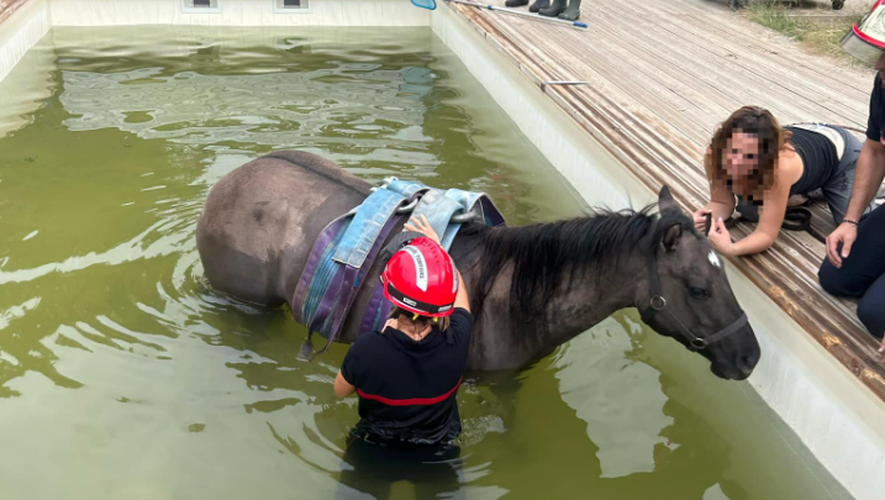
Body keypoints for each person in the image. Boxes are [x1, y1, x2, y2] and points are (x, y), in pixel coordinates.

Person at [334, 215, 472, 499]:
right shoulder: (458, 340)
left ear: (393, 298)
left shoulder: (368, 349)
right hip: (438, 450)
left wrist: (381, 343)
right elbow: (461, 299)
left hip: (375, 448)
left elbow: (339, 392)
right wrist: (440, 252)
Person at [692, 106, 872, 257]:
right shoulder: (714, 154)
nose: (737, 162)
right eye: (733, 150)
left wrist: (732, 249)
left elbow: (766, 234)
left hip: (841, 157)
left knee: (854, 221)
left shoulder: (779, 167)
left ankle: (875, 196)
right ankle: (803, 191)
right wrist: (706, 218)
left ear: (766, 155)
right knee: (751, 210)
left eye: (749, 156)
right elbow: (721, 202)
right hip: (808, 147)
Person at [819, 5, 885, 360]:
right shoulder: (884, 82)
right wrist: (851, 219)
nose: (878, 65)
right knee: (836, 276)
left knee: (874, 314)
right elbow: (875, 151)